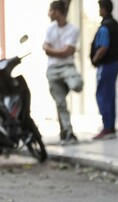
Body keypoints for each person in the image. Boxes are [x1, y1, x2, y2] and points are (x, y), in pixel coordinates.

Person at [43, 0, 83, 145]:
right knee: (61, 104)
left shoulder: (73, 29)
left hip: (67, 68)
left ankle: (65, 131)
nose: (49, 14)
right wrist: (61, 52)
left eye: (50, 10)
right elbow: (47, 49)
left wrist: (54, 51)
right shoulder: (50, 29)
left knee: (77, 84)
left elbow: (68, 51)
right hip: (53, 70)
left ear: (57, 12)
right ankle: (67, 132)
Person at [90, 0, 118, 140]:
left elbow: (103, 47)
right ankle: (110, 127)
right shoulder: (115, 24)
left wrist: (95, 59)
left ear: (104, 9)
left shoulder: (105, 27)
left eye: (99, 8)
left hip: (106, 66)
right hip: (113, 64)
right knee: (109, 95)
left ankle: (107, 128)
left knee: (103, 96)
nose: (98, 10)